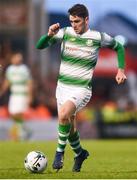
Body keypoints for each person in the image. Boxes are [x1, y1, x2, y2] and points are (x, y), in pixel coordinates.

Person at [36, 4, 127, 172]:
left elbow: (119, 47)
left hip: (81, 89)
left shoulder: (98, 37)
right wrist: (48, 35)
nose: (74, 25)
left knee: (63, 114)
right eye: (71, 21)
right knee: (69, 128)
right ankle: (80, 153)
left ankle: (59, 153)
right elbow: (39, 46)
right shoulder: (64, 33)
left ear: (86, 19)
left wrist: (120, 70)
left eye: (77, 21)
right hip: (62, 87)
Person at [0, 52, 33, 140]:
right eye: (17, 57)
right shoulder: (10, 69)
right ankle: (25, 130)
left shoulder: (24, 69)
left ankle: (21, 133)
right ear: (12, 58)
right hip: (13, 95)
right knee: (12, 113)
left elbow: (29, 82)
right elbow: (7, 81)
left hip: (22, 94)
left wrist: (30, 96)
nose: (18, 59)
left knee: (18, 113)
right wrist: (2, 91)